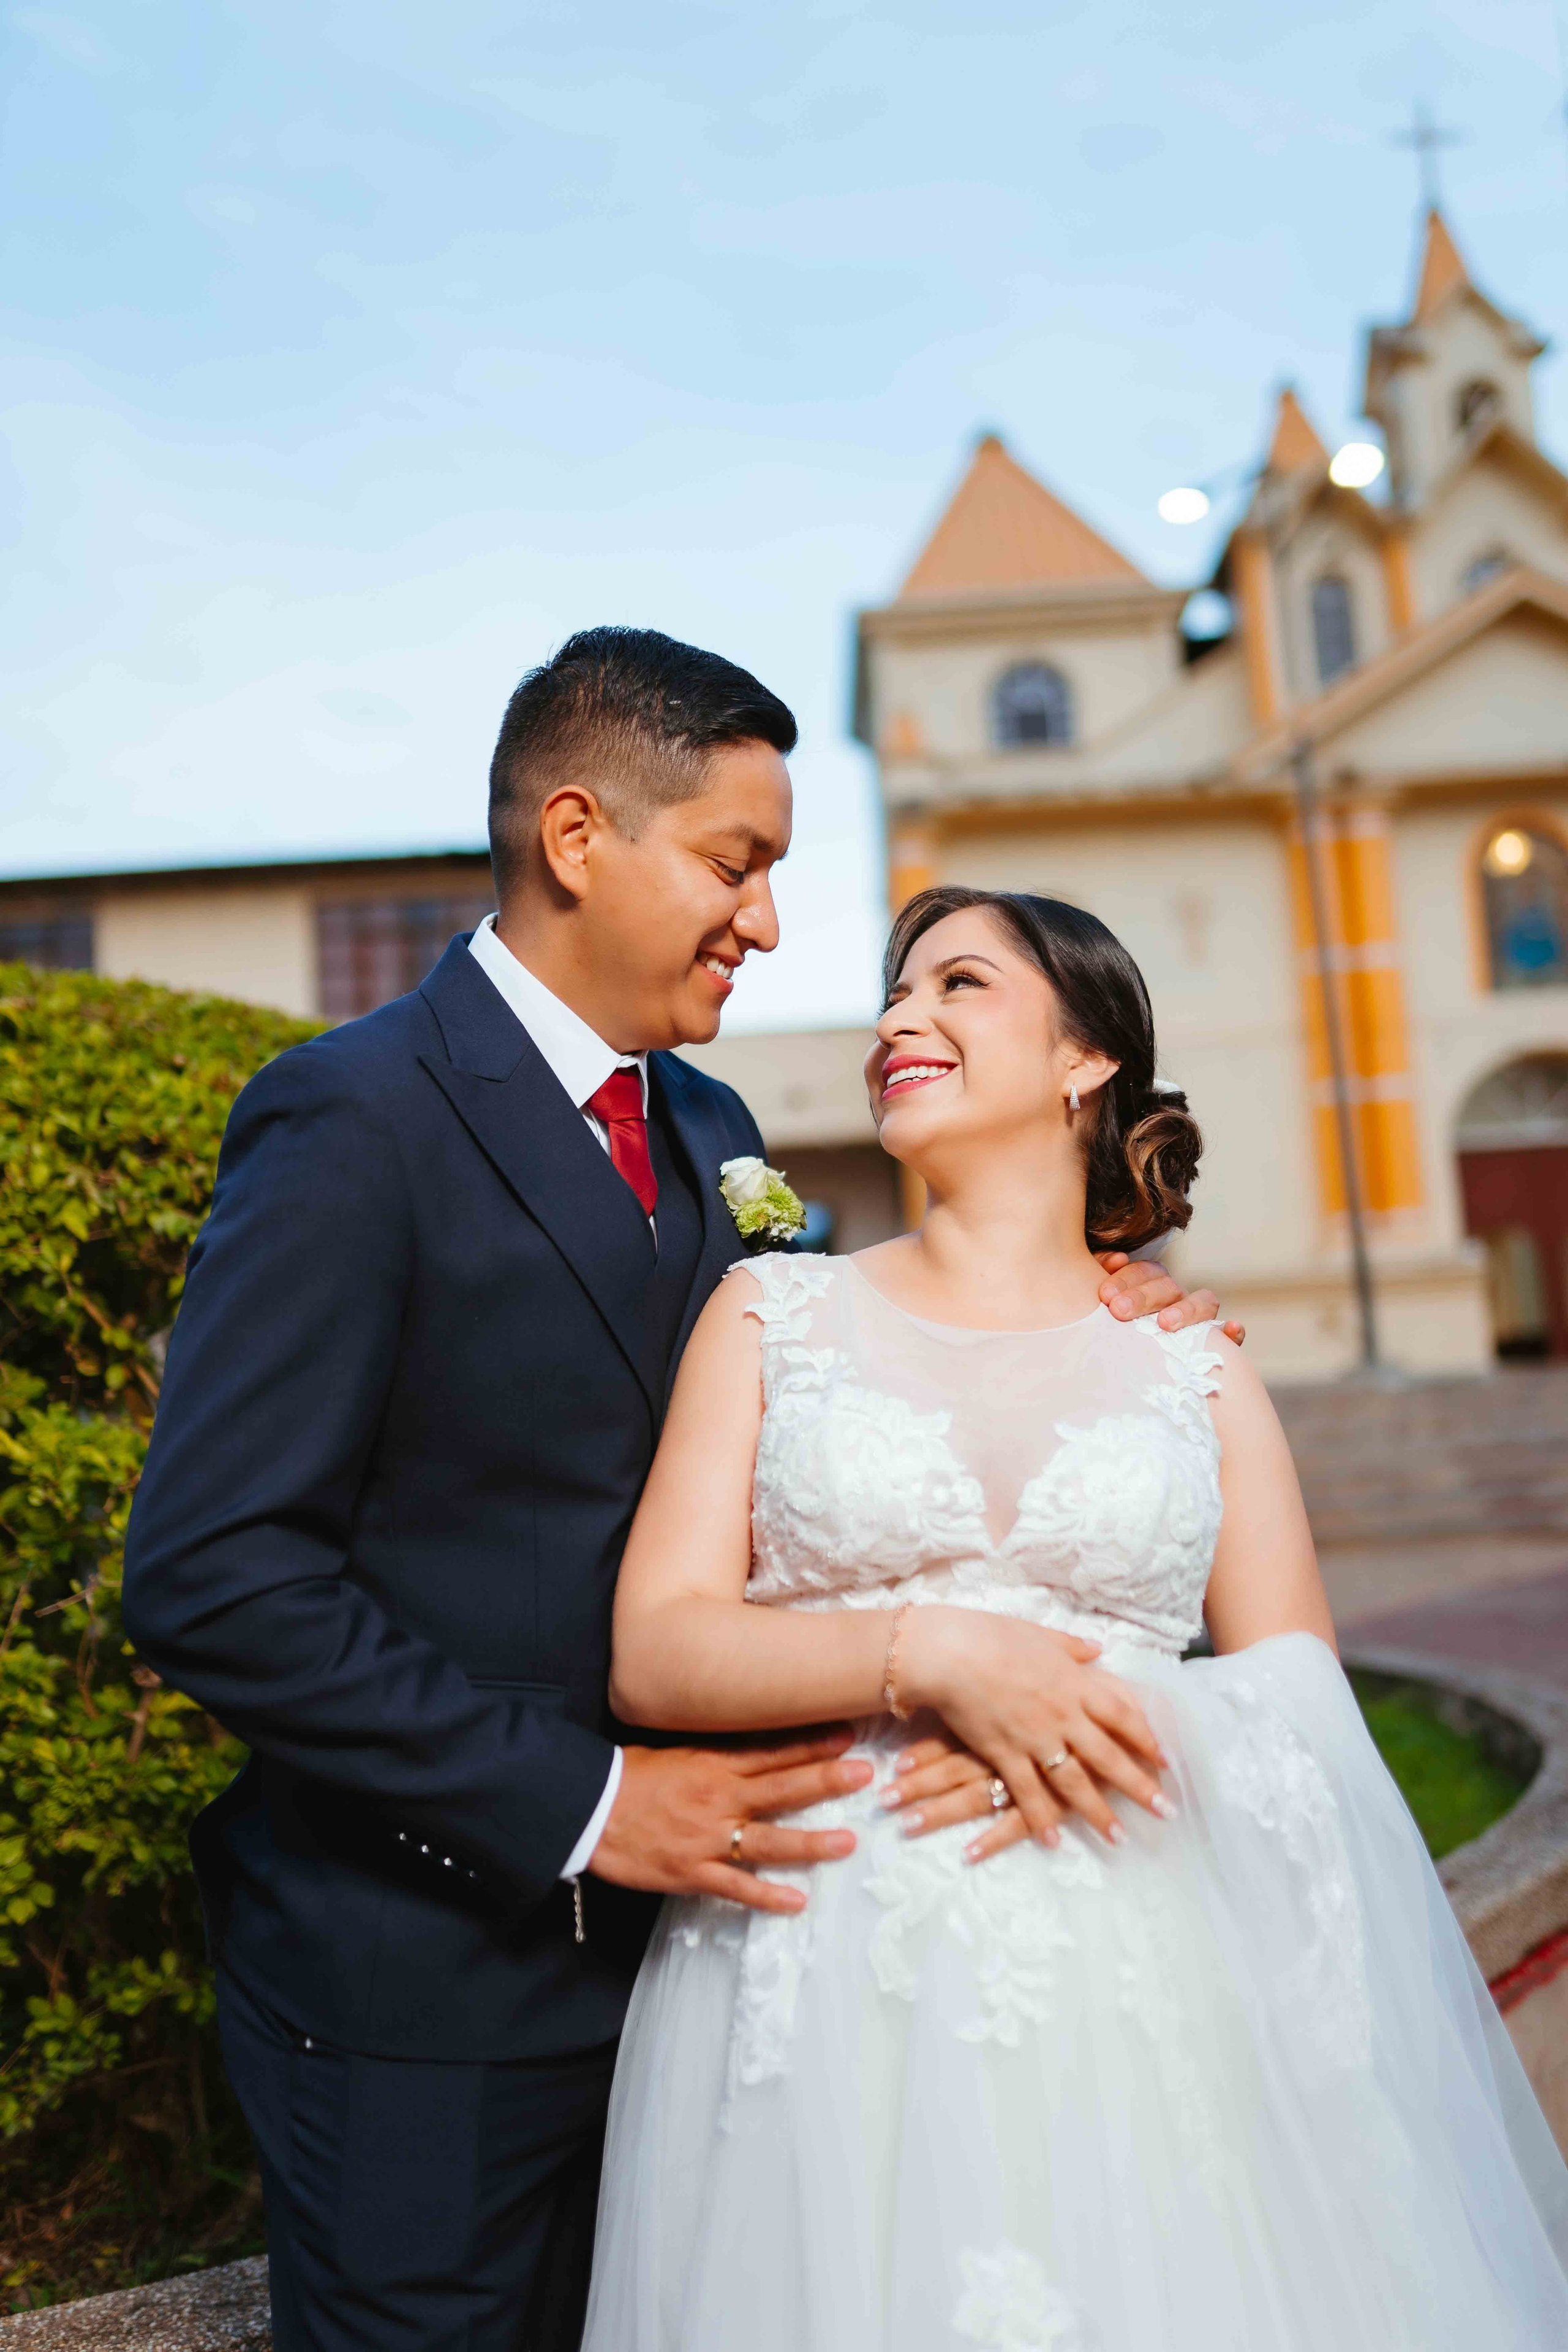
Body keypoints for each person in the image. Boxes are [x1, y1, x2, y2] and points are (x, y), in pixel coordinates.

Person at [121, 632, 1222, 2352]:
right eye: (737, 864)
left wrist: (1091, 1305)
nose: (768, 924)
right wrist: (583, 1803)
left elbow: (822, 1371)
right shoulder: (352, 1118)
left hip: (714, 1983)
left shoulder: (712, 1125)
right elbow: (216, 1576)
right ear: (577, 837)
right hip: (429, 1992)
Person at [582, 884, 1568, 2352]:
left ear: (1082, 1057)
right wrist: (933, 1658)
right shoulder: (769, 1318)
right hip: (827, 1978)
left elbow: (1298, 1690)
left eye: (958, 985)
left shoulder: (1192, 1366)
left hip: (1144, 1973)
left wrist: (1094, 1708)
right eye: (895, 993)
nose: (901, 1017)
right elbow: (656, 1649)